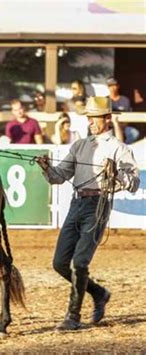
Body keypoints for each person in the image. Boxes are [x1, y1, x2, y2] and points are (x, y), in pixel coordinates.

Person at [35, 96, 139, 331]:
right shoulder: (80, 145)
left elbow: (133, 183)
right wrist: (46, 167)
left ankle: (73, 316)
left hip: (98, 206)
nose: (91, 121)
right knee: (60, 263)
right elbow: (58, 177)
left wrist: (117, 175)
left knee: (79, 262)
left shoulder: (119, 148)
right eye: (89, 117)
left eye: (95, 117)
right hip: (77, 204)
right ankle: (99, 293)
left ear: (107, 119)